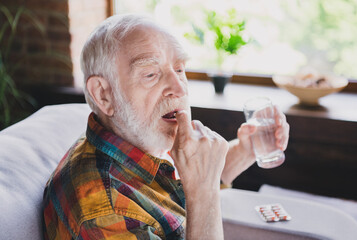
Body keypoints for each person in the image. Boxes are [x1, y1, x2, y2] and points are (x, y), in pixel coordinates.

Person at [42, 14, 289, 240]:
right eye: (151, 74)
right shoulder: (103, 211)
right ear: (103, 95)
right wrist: (203, 194)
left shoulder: (133, 150)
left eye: (180, 69)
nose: (180, 88)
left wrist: (245, 150)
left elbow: (174, 196)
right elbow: (195, 195)